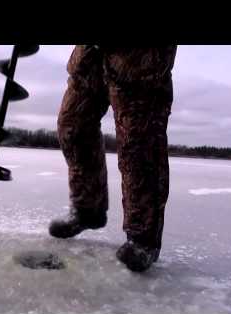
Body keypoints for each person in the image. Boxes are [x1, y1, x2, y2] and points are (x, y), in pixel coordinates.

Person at [49, 45, 177, 272]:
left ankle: (143, 237)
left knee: (138, 142)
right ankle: (88, 210)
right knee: (73, 126)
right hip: (91, 54)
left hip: (138, 59)